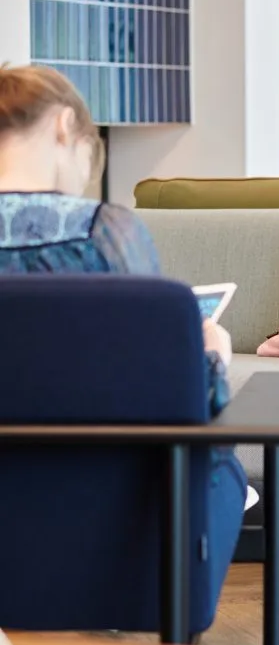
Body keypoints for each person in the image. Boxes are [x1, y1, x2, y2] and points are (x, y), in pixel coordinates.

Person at [0, 63, 255, 507]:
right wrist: (212, 354)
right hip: (96, 504)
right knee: (230, 480)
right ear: (65, 125)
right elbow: (165, 390)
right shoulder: (103, 230)